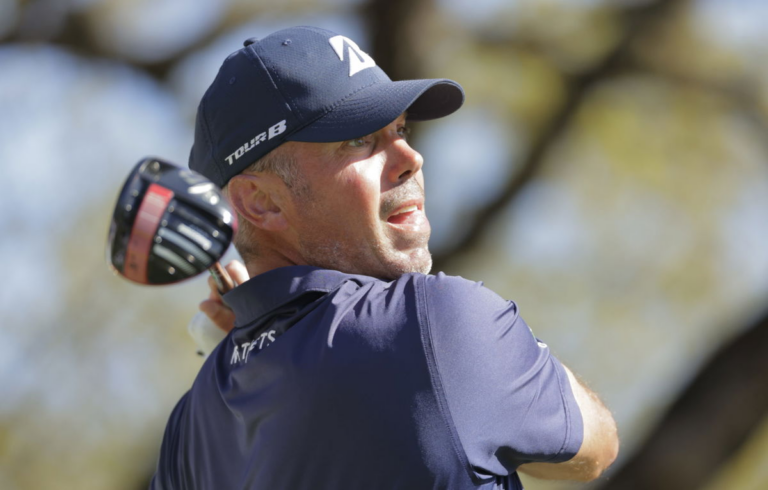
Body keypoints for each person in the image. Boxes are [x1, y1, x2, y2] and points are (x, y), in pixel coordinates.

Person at [150, 26, 618, 490]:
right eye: (358, 140)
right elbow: (596, 447)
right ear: (261, 202)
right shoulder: (435, 322)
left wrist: (255, 354)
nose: (410, 157)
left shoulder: (189, 431)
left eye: (400, 129)